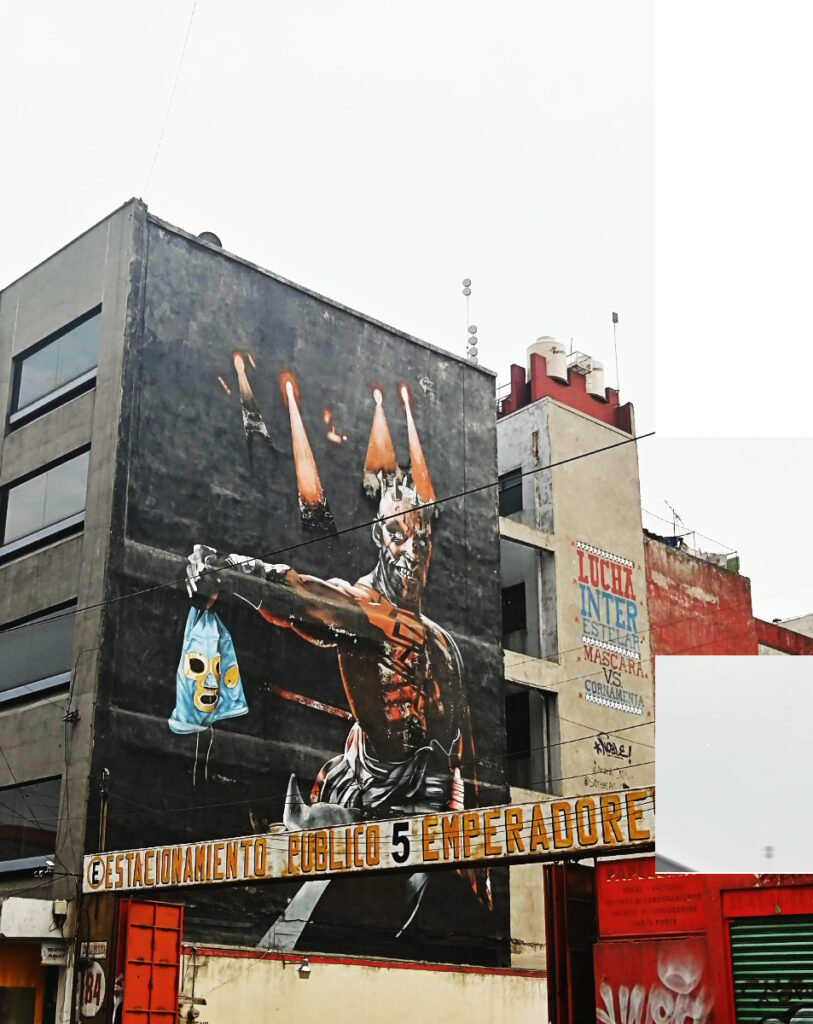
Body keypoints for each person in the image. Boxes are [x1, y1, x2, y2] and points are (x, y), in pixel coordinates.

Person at [186, 476, 475, 821]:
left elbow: (464, 755)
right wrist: (229, 569)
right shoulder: (360, 609)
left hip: (432, 808)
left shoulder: (442, 644)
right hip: (371, 795)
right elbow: (303, 596)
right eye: (398, 536)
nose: (413, 553)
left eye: (422, 540)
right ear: (378, 536)